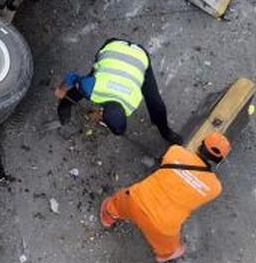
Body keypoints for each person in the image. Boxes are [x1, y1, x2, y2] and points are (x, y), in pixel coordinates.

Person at [100, 132, 231, 261]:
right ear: (218, 162)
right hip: (163, 226)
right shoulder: (215, 188)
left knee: (114, 205)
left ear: (200, 145)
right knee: (169, 248)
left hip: (135, 199)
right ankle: (165, 255)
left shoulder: (175, 151)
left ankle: (108, 217)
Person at [54, 38, 182, 144]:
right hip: (112, 48)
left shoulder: (133, 101)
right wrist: (61, 89)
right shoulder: (92, 87)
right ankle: (64, 106)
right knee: (81, 88)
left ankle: (165, 131)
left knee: (156, 103)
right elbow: (71, 77)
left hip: (138, 57)